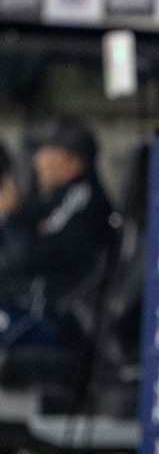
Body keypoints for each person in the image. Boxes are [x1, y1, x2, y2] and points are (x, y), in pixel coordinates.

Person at [0, 117, 114, 355]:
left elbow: (30, 258)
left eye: (45, 151)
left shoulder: (83, 198)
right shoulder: (54, 198)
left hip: (56, 322)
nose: (37, 160)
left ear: (68, 160)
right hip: (28, 308)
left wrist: (10, 214)